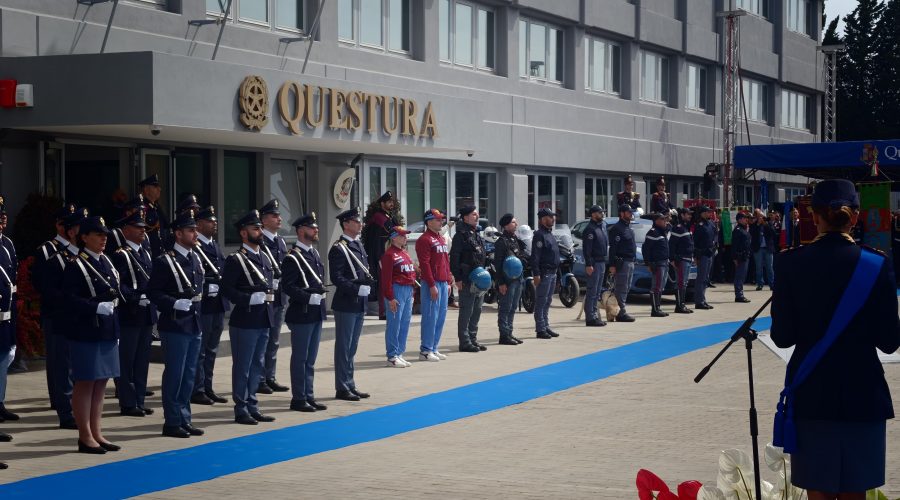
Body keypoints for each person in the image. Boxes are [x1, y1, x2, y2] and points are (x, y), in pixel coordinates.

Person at [771, 179, 900, 498]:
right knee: (856, 492)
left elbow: (783, 337)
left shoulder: (790, 263)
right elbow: (889, 341)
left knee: (818, 493)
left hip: (812, 394)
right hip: (863, 395)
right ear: (855, 216)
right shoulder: (877, 263)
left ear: (813, 216)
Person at [61, 216, 122, 454]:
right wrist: (94, 307)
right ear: (84, 237)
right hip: (86, 331)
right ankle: (84, 435)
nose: (103, 238)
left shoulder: (106, 261)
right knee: (85, 383)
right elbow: (69, 299)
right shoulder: (75, 265)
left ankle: (97, 432)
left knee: (101, 383)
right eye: (97, 234)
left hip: (107, 329)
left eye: (105, 234)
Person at [148, 211, 206, 438]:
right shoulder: (165, 261)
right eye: (191, 230)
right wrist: (173, 303)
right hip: (175, 325)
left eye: (195, 230)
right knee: (175, 373)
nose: (195, 234)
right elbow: (154, 292)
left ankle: (184, 417)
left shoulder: (195, 257)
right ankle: (172, 421)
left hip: (193, 323)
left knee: (190, 374)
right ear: (178, 233)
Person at [221, 210, 278, 424]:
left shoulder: (264, 256)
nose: (260, 232)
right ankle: (241, 407)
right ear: (244, 233)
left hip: (264, 317)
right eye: (255, 229)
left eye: (260, 228)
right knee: (243, 366)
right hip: (245, 319)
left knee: (257, 365)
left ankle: (252, 404)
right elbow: (226, 289)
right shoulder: (236, 259)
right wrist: (247, 299)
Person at [33, 206, 84, 429]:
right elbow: (43, 285)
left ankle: (71, 405)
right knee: (60, 363)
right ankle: (63, 406)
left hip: (76, 317)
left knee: (74, 364)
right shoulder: (48, 252)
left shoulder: (79, 255)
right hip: (58, 315)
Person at [111, 209, 158, 417]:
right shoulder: (121, 255)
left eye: (143, 228)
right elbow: (119, 285)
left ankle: (139, 399)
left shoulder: (145, 253)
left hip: (146, 314)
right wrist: (136, 297)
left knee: (142, 360)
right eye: (137, 228)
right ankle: (128, 402)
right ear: (125, 231)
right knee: (127, 360)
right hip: (130, 314)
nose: (142, 231)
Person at [282, 212, 328, 412]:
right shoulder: (292, 258)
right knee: (300, 357)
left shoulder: (314, 253)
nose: (316, 230)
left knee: (310, 359)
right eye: (311, 228)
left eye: (315, 227)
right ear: (301, 231)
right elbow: (288, 286)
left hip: (316, 312)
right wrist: (308, 297)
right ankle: (298, 398)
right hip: (301, 313)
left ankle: (308, 394)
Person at [328, 207, 373, 401]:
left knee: (352, 346)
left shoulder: (358, 245)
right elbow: (336, 277)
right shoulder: (339, 248)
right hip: (346, 303)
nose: (359, 224)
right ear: (346, 224)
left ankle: (350, 383)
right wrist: (356, 289)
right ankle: (342, 386)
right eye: (355, 221)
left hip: (359, 303)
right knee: (344, 347)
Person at [191, 206, 230, 406]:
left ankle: (207, 386)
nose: (214, 223)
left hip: (218, 304)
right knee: (201, 348)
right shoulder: (196, 247)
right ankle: (197, 389)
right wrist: (207, 285)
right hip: (205, 304)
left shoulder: (214, 245)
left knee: (212, 348)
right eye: (209, 221)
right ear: (198, 224)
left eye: (214, 221)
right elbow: (193, 275)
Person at [257, 199, 289, 394]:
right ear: (264, 220)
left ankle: (270, 375)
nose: (279, 219)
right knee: (263, 338)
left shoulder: (280, 240)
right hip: (265, 297)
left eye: (278, 215)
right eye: (274, 216)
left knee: (274, 340)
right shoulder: (261, 241)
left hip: (279, 297)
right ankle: (260, 378)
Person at [449, 205, 487, 352]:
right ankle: (464, 342)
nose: (476, 217)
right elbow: (454, 259)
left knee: (476, 310)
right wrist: (457, 278)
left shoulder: (475, 233)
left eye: (477, 214)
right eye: (473, 214)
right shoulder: (460, 236)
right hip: (466, 279)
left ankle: (472, 339)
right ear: (465, 217)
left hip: (479, 279)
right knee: (466, 311)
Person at [416, 209, 451, 360]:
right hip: (432, 283)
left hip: (443, 282)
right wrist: (431, 284)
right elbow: (424, 264)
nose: (441, 222)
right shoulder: (424, 239)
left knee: (440, 317)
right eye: (438, 219)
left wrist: (449, 280)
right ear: (429, 222)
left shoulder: (440, 238)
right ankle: (425, 350)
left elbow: (445, 261)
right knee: (431, 316)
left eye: (441, 219)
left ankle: (434, 347)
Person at [381, 226, 416, 367]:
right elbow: (386, 279)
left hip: (408, 290)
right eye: (402, 236)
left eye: (405, 235)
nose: (405, 238)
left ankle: (399, 353)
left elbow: (411, 274)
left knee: (404, 323)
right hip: (396, 290)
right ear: (394, 237)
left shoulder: (405, 253)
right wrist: (390, 297)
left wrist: (412, 292)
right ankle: (392, 356)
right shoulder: (389, 255)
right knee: (394, 324)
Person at [362, 191, 398, 320]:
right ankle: (383, 311)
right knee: (383, 283)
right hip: (381, 255)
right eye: (389, 202)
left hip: (391, 255)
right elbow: (376, 241)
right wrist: (379, 258)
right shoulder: (378, 218)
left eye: (392, 202)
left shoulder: (389, 217)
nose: (391, 204)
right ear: (382, 203)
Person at [493, 213, 528, 342]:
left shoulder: (515, 240)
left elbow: (522, 256)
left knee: (513, 307)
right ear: (506, 225)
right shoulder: (501, 242)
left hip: (518, 278)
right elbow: (498, 263)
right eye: (513, 222)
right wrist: (501, 282)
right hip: (507, 281)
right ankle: (504, 335)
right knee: (505, 307)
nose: (516, 224)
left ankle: (509, 332)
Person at [0, 197, 18, 430]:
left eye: (3, 214)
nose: (3, 218)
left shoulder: (7, 244)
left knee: (3, 362)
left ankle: (0, 402)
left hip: (6, 315)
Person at [531, 208, 561, 339]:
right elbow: (535, 256)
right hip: (545, 273)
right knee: (541, 301)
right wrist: (536, 274)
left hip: (553, 272)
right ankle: (540, 328)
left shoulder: (549, 233)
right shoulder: (539, 235)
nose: (553, 218)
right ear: (543, 219)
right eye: (550, 217)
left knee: (548, 301)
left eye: (553, 216)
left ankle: (546, 325)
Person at [608, 205, 637, 322]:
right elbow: (613, 248)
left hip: (630, 261)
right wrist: (612, 265)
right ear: (621, 213)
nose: (630, 214)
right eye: (628, 212)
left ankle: (620, 309)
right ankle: (621, 312)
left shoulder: (628, 228)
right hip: (622, 262)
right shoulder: (617, 228)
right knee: (621, 287)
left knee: (627, 287)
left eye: (631, 212)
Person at [581, 206, 608, 327]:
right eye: (599, 212)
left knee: (597, 292)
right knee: (592, 290)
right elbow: (587, 249)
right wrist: (588, 264)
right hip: (594, 263)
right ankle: (590, 317)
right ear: (593, 214)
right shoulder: (590, 229)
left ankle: (595, 314)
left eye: (602, 212)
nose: (602, 214)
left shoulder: (601, 226)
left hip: (602, 261)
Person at [641, 213, 669, 317]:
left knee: (661, 286)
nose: (665, 221)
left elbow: (669, 225)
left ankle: (658, 307)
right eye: (662, 219)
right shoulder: (653, 232)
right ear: (656, 220)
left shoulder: (662, 231)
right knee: (656, 287)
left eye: (665, 219)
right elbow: (646, 249)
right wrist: (648, 263)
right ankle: (655, 310)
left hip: (665, 262)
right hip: (657, 263)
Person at [669, 208, 694, 314]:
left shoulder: (686, 227)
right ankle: (679, 306)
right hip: (681, 259)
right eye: (688, 214)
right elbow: (672, 245)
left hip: (688, 259)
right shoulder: (678, 228)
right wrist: (673, 259)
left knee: (684, 283)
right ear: (682, 215)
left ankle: (682, 304)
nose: (690, 216)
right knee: (681, 283)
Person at [139, 174, 169, 258]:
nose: (159, 189)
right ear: (146, 189)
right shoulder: (141, 208)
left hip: (161, 252)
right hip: (149, 253)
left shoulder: (156, 207)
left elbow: (166, 226)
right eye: (155, 186)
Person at [692, 206, 716, 310]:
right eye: (706, 212)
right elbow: (695, 242)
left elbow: (715, 235)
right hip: (702, 254)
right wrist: (696, 256)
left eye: (709, 212)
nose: (709, 214)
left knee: (706, 278)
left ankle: (703, 299)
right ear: (702, 213)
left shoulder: (710, 224)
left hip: (710, 253)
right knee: (701, 278)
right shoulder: (699, 225)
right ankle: (699, 301)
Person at [751, 209, 776, 291]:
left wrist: (765, 224)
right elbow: (752, 234)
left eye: (762, 216)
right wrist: (758, 224)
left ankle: (772, 284)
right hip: (758, 249)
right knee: (759, 267)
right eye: (759, 216)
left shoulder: (768, 224)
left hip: (768, 248)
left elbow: (773, 234)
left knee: (769, 267)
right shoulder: (754, 225)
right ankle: (760, 284)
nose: (761, 218)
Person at [731, 213, 752, 303]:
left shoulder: (744, 229)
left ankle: (740, 294)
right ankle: (739, 295)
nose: (746, 220)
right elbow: (734, 246)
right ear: (739, 220)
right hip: (740, 256)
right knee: (739, 276)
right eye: (744, 218)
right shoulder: (738, 230)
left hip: (745, 255)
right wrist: (735, 258)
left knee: (742, 276)